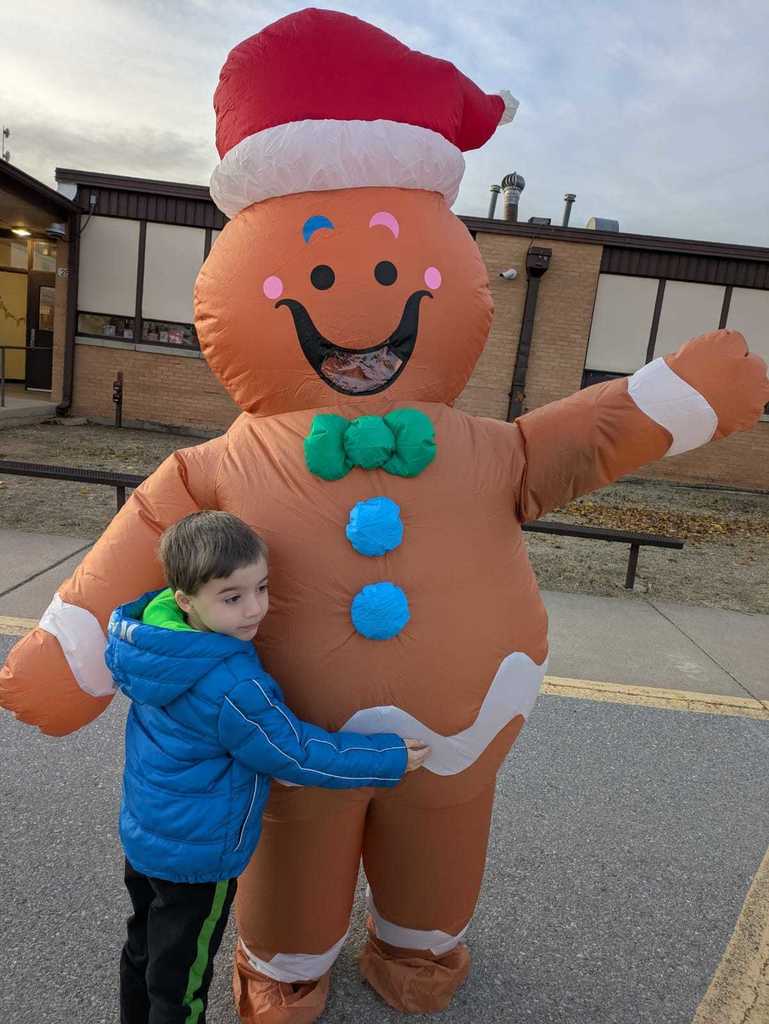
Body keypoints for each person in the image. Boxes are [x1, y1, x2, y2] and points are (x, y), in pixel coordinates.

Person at [105, 510, 430, 1024]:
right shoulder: (232, 686)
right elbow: (295, 752)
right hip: (198, 857)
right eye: (232, 597)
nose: (255, 608)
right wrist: (385, 757)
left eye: (262, 587)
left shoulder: (150, 639)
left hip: (145, 836)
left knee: (145, 948)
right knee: (182, 980)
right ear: (187, 600)